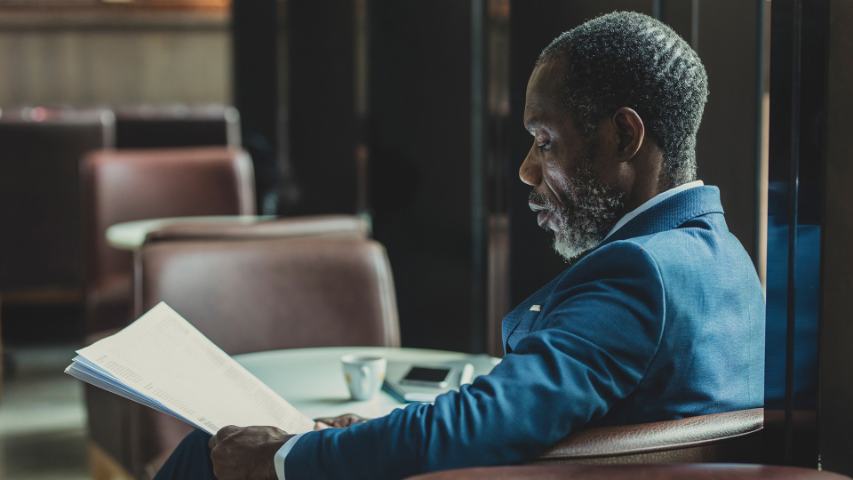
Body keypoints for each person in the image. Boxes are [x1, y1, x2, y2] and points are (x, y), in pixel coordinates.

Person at [156, 11, 764, 480]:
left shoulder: (638, 272)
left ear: (624, 136)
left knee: (204, 456)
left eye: (545, 141)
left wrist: (285, 459)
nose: (527, 170)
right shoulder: (727, 260)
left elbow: (489, 423)